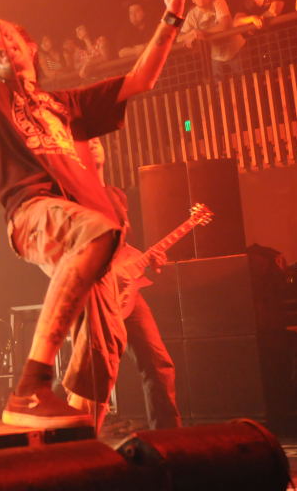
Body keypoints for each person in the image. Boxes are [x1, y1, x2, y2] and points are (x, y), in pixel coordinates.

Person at [0, 0, 188, 430]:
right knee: (94, 232)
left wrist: (172, 16)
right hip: (36, 214)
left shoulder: (66, 105)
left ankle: (75, 443)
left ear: (31, 50)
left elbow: (141, 79)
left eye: (13, 41)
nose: (3, 49)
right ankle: (30, 385)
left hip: (94, 235)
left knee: (104, 349)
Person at [86, 139, 180, 431]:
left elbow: (122, 245)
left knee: (158, 363)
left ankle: (168, 436)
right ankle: (77, 437)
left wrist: (146, 259)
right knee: (94, 371)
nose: (94, 144)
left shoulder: (116, 196)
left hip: (128, 292)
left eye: (97, 140)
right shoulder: (75, 195)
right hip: (96, 292)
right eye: (87, 141)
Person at [178, 0, 239, 79]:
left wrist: (201, 32)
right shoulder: (192, 14)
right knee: (219, 86)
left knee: (246, 80)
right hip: (216, 57)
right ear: (193, 0)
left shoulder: (218, 1)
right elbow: (179, 38)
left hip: (236, 50)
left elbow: (224, 25)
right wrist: (193, 33)